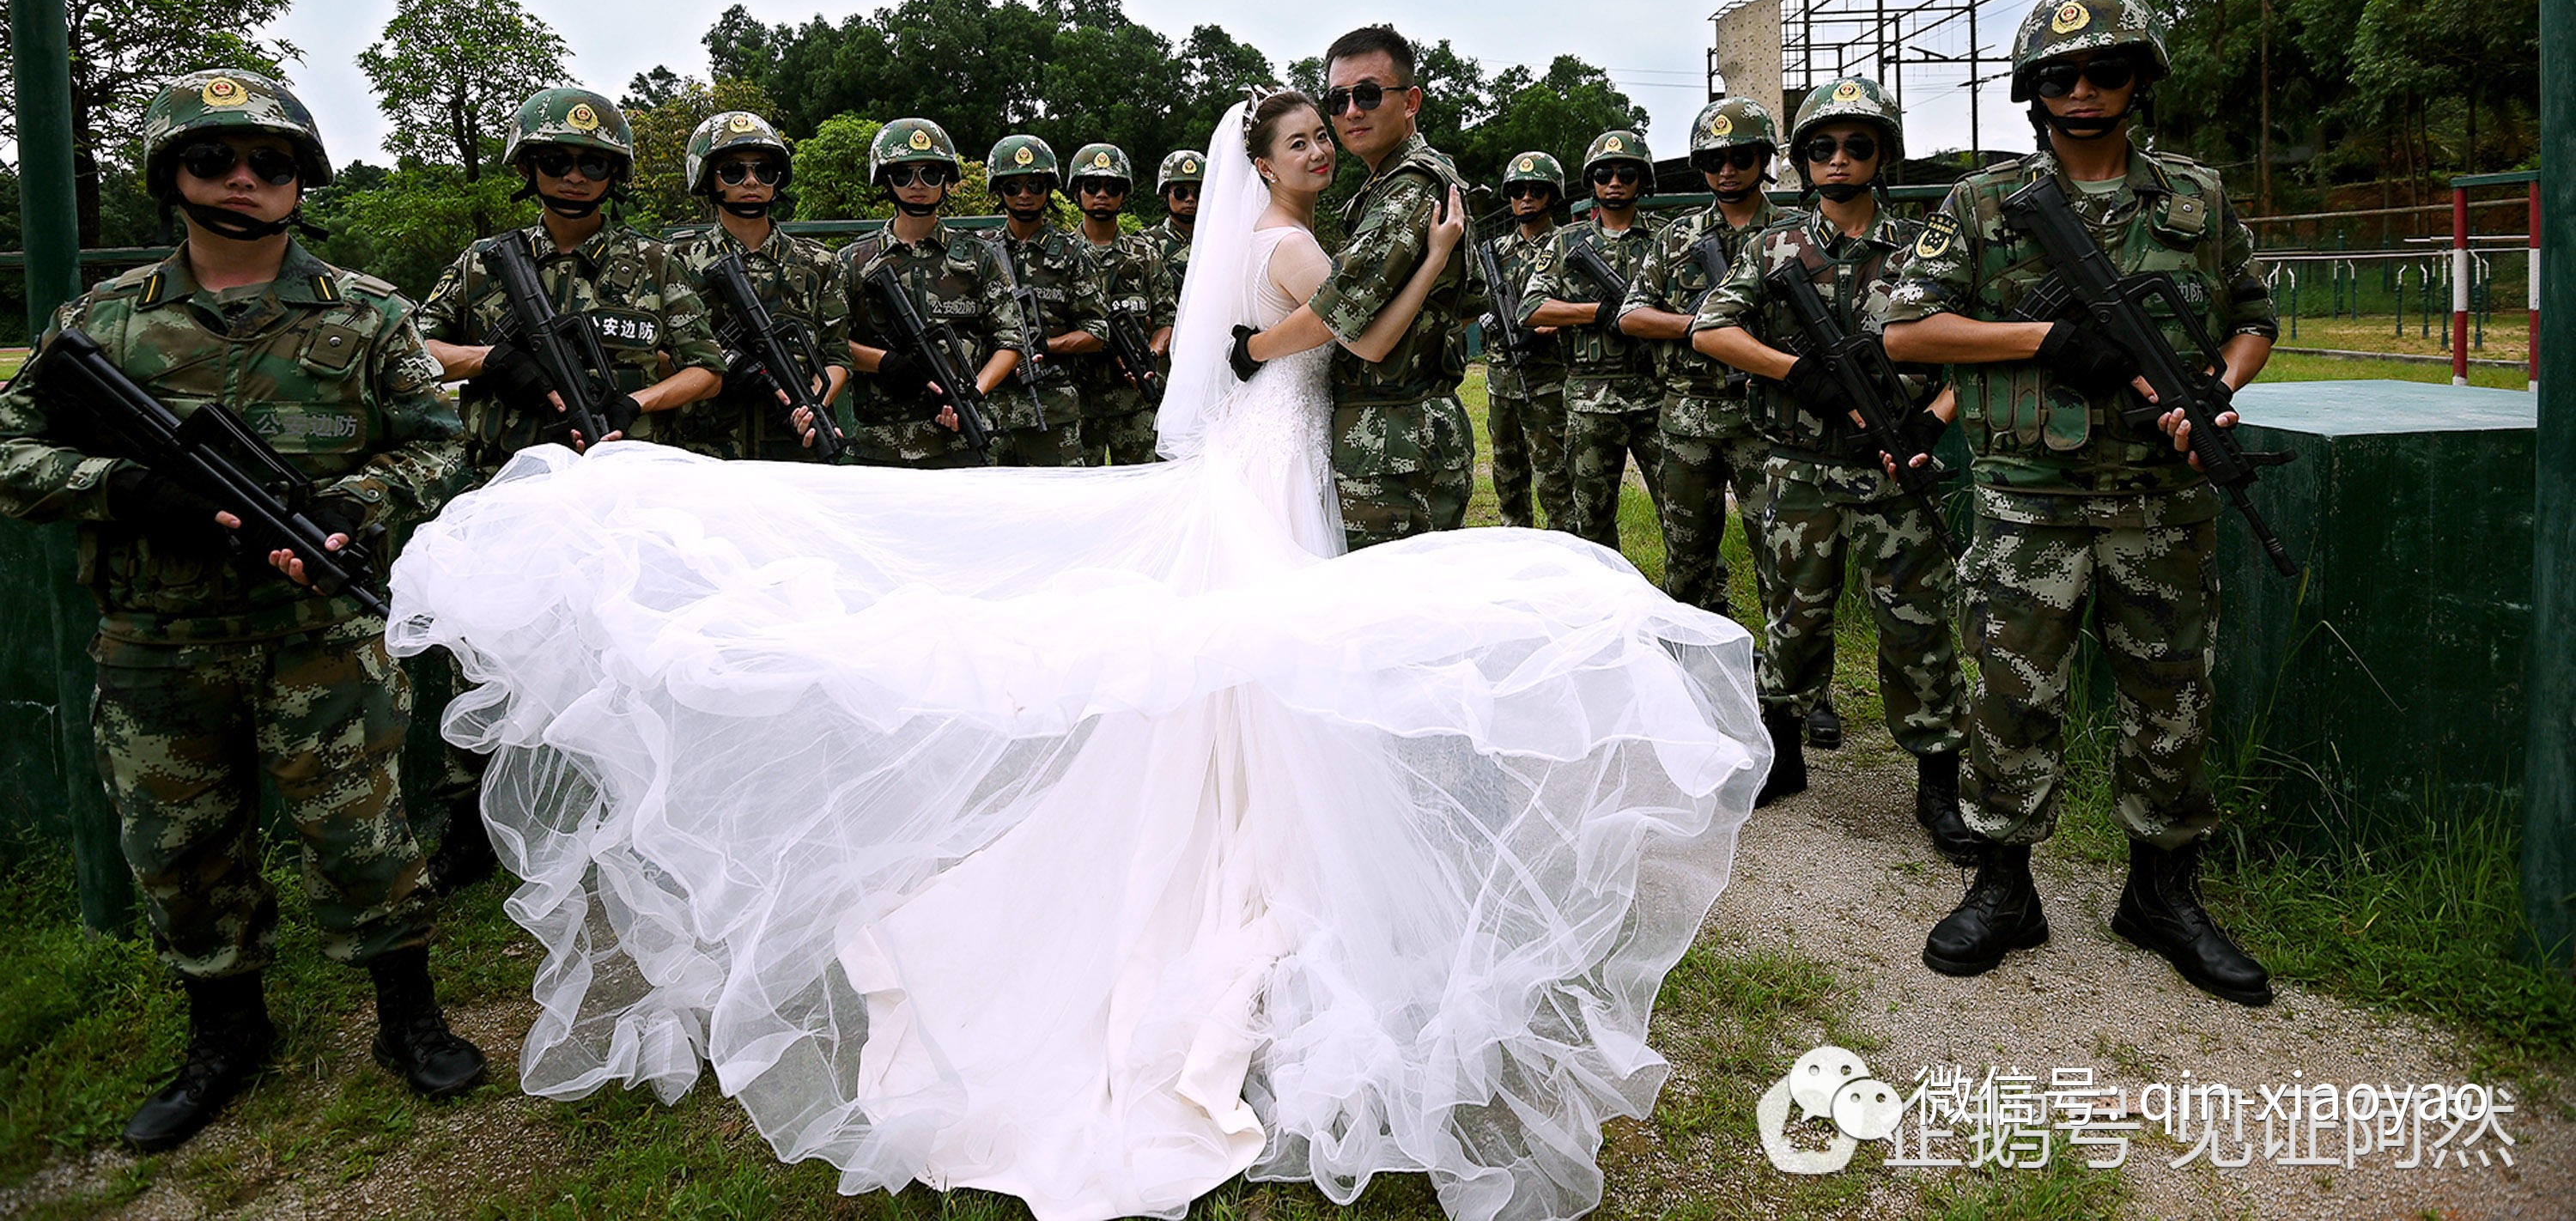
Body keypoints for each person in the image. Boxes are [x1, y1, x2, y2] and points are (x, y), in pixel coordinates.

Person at [386, 88, 1769, 1221]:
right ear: (1268, 166)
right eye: (1301, 143)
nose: (1319, 157)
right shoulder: (1290, 248)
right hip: (1269, 482)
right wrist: (1432, 252)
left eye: (1318, 141)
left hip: (1256, 468)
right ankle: (1251, 868)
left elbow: (1255, 353)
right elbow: (1371, 334)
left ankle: (1247, 848)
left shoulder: (1252, 247)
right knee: (1262, 683)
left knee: (1241, 692)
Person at [0, 71, 486, 1153]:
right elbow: (10, 444)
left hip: (320, 632)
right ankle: (226, 1034)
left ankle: (407, 1014)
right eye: (214, 159)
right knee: (181, 851)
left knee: (364, 834)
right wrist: (127, 489)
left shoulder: (367, 311)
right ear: (170, 176)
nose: (244, 181)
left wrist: (351, 507)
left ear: (300, 181)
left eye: (269, 164)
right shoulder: (103, 317)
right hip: (158, 641)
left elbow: (435, 439)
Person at [1879, 0, 2278, 1005]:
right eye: (2062, 76)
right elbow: (1906, 332)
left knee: (2171, 697)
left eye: (2107, 71)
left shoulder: (2197, 194)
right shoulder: (1981, 203)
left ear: (2140, 79)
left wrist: (2218, 389)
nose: (2087, 91)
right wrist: (2049, 339)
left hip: (2162, 495)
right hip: (2029, 496)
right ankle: (2006, 885)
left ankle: (2161, 892)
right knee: (2012, 695)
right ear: (2033, 90)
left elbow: (2253, 312)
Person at [416, 85, 725, 892]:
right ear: (530, 168)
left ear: (614, 174)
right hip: (508, 494)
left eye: (593, 163)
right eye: (558, 161)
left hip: (622, 494)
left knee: (635, 653)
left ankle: (646, 812)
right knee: (487, 658)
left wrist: (639, 402)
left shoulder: (652, 263)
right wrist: (489, 361)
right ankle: (471, 821)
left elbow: (707, 365)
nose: (576, 176)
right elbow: (411, 343)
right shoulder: (485, 263)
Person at [1692, 76, 1974, 865]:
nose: (1839, 160)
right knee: (1796, 613)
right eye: (1822, 148)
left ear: (1884, 154)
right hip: (1801, 464)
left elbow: (1967, 351)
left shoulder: (1926, 246)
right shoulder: (1772, 247)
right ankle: (1783, 750)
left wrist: (1931, 420)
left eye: (1857, 145)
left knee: (1916, 621)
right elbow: (1713, 329)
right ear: (1803, 161)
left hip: (1897, 466)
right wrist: (1799, 376)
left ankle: (1937, 777)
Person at [1237, 29, 1475, 549]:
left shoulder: (1409, 187)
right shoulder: (1385, 186)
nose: (1350, 113)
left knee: (1385, 611)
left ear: (1410, 101)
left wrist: (1252, 348)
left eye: (1368, 94)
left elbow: (1340, 317)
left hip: (1396, 438)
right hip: (1384, 431)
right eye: (1338, 99)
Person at [1619, 98, 1785, 623]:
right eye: (1714, 161)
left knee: (1780, 558)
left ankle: (1791, 688)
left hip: (1770, 415)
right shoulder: (1676, 237)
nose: (1727, 170)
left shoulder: (1794, 232)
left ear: (1763, 158)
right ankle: (1689, 662)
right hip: (1689, 415)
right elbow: (1631, 315)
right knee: (1686, 555)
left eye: (1739, 157)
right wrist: (1705, 329)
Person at [835, 118, 1027, 469]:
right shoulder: (852, 261)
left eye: (930, 174)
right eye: (903, 175)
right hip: (880, 443)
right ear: (885, 182)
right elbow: (830, 342)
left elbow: (1011, 340)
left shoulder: (977, 256)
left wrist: (972, 394)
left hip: (958, 437)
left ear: (946, 181)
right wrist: (883, 362)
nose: (917, 185)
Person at [671, 109, 850, 462]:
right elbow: (658, 356)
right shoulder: (678, 261)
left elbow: (837, 355)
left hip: (794, 449)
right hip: (705, 449)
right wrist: (722, 365)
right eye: (735, 172)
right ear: (709, 180)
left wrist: (811, 403)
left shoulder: (819, 263)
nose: (751, 182)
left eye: (763, 171)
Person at [1519, 130, 1663, 556]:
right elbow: (1530, 308)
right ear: (1592, 182)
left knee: (1682, 518)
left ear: (1642, 180)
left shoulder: (1665, 240)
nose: (1614, 182)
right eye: (1604, 173)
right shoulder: (1565, 243)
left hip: (1655, 394)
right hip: (1589, 400)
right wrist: (1596, 314)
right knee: (1592, 523)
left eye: (1626, 173)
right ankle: (1604, 608)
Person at [987, 133, 1105, 468]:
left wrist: (1049, 345)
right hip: (992, 411)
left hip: (1052, 408)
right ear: (999, 192)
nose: (1024, 195)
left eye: (1035, 186)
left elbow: (1097, 331)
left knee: (1063, 510)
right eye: (1013, 187)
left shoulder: (1073, 254)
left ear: (1049, 191)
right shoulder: (980, 255)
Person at [1067, 142, 1178, 466]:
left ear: (1123, 195)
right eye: (1092, 186)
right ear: (1077, 192)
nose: (1102, 194)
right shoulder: (1061, 255)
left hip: (1135, 402)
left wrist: (1150, 354)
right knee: (1081, 500)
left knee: (1145, 494)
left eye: (1112, 187)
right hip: (1079, 401)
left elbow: (1166, 318)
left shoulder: (1144, 255)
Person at [1483, 151, 1572, 532]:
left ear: (1552, 196)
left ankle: (1568, 552)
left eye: (1537, 190)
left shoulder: (1568, 246)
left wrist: (1554, 322)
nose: (1526, 198)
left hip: (1547, 381)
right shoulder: (1496, 252)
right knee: (1507, 477)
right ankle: (1514, 548)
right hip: (1500, 381)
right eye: (1518, 191)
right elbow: (1476, 302)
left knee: (1556, 481)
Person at [1151, 147, 1202, 299]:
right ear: (1166, 194)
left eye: (1198, 193)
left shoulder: (1218, 243)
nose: (1190, 199)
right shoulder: (1147, 244)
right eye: (1181, 192)